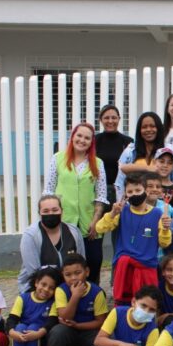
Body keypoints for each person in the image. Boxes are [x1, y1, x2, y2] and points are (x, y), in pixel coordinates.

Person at [33, 254, 108, 346]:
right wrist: (75, 296)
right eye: (68, 275)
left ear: (87, 272)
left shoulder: (97, 292)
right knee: (57, 331)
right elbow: (65, 317)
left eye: (77, 273)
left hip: (87, 331)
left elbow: (100, 321)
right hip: (68, 331)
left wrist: (79, 326)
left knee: (106, 341)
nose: (73, 278)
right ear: (63, 275)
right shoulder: (61, 290)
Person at [43, 122, 108, 285]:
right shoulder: (58, 158)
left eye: (87, 138)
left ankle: (92, 298)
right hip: (64, 221)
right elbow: (49, 191)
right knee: (67, 264)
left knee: (93, 261)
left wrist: (95, 220)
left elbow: (100, 195)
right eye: (79, 136)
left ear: (91, 142)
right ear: (72, 137)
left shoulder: (98, 163)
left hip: (89, 223)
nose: (82, 140)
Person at [95, 174, 173, 305]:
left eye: (138, 190)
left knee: (148, 305)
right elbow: (100, 228)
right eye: (130, 192)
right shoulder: (122, 212)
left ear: (146, 191)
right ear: (125, 194)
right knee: (123, 306)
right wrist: (113, 213)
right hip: (124, 270)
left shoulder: (157, 214)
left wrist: (165, 229)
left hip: (147, 268)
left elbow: (164, 243)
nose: (134, 194)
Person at [17, 195, 85, 295]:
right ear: (39, 213)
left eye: (55, 210)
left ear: (61, 211)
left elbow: (81, 263)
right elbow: (34, 272)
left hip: (69, 286)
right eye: (46, 211)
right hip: (39, 287)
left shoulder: (74, 232)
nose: (51, 213)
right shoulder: (30, 236)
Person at [6, 267, 62, 346]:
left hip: (41, 335)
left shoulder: (53, 302)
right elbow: (12, 319)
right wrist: (12, 333)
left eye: (51, 288)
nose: (46, 289)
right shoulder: (23, 298)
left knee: (34, 326)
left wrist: (39, 333)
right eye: (43, 284)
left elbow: (52, 322)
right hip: (23, 333)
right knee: (20, 326)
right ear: (36, 283)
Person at [115, 112, 168, 198]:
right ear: (139, 130)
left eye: (152, 126)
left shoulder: (169, 150)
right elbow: (120, 180)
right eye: (144, 127)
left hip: (160, 202)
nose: (148, 129)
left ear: (158, 128)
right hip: (134, 204)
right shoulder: (130, 152)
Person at [95, 104, 133, 205]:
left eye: (114, 118)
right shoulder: (94, 141)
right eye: (106, 118)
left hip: (122, 192)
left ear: (119, 119)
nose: (110, 121)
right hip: (98, 192)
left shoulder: (128, 142)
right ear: (101, 120)